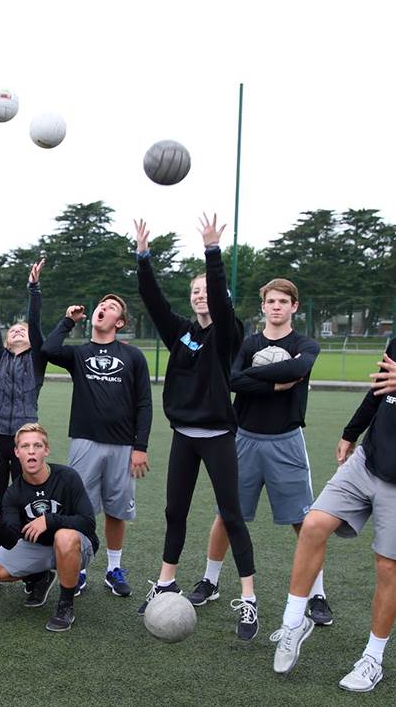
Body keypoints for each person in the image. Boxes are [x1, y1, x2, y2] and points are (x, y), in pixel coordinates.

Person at [271, 268, 396, 692]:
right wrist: (351, 433)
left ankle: (373, 658)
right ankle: (293, 624)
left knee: (388, 567)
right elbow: (379, 392)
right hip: (368, 461)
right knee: (313, 524)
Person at [134, 215, 259, 641]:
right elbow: (152, 300)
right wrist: (144, 257)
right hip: (184, 436)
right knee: (175, 513)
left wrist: (212, 251)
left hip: (219, 436)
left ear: (219, 295)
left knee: (232, 515)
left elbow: (223, 310)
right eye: (194, 291)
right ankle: (166, 581)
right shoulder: (182, 335)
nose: (200, 295)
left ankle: (249, 599)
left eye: (207, 289)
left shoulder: (228, 334)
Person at [190, 279, 328, 622]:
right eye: (271, 301)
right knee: (227, 513)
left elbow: (299, 368)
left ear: (294, 306)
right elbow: (232, 380)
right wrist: (275, 383)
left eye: (284, 301)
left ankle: (318, 594)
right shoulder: (248, 342)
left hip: (287, 441)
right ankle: (210, 580)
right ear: (263, 306)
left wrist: (255, 377)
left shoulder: (306, 344)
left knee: (303, 522)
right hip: (244, 439)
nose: (277, 306)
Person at [41, 292, 151, 599]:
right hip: (85, 442)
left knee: (116, 511)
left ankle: (114, 570)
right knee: (82, 509)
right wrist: (67, 321)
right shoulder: (80, 354)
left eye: (112, 307)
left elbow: (144, 403)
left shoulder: (133, 356)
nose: (104, 307)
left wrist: (139, 447)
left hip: (122, 446)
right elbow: (48, 348)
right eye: (101, 304)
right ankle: (80, 568)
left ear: (120, 321)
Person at [0, 253, 49, 579]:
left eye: (23, 329)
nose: (17, 331)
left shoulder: (38, 359)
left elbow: (36, 321)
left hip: (25, 437)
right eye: (13, 329)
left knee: (27, 500)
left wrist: (34, 288)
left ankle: (33, 566)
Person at [0, 423, 99, 632]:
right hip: (41, 548)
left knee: (64, 536)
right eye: (25, 446)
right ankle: (40, 577)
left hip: (77, 546)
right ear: (17, 452)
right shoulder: (14, 492)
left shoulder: (67, 477)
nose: (31, 451)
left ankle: (65, 604)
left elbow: (88, 522)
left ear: (46, 450)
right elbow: (9, 540)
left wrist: (49, 520)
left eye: (37, 445)